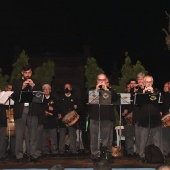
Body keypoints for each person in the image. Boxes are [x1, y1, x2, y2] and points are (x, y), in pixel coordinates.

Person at [11, 65, 43, 163]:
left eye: (29, 72)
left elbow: (40, 96)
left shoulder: (36, 82)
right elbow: (14, 96)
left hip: (32, 110)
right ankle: (19, 156)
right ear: (22, 73)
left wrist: (33, 86)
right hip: (20, 111)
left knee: (33, 134)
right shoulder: (17, 82)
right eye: (25, 73)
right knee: (20, 135)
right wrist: (22, 87)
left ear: (31, 72)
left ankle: (33, 155)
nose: (27, 75)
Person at [87, 73, 118, 162]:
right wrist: (96, 91)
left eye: (103, 80)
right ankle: (94, 154)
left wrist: (106, 90)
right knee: (94, 137)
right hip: (94, 117)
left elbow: (115, 98)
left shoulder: (111, 90)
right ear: (97, 81)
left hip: (106, 117)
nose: (101, 82)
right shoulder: (92, 90)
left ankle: (106, 154)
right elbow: (87, 100)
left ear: (106, 81)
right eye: (100, 80)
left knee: (106, 138)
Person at [138, 75, 162, 162]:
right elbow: (138, 103)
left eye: (150, 82)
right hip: (144, 119)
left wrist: (153, 93)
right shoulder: (140, 92)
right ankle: (142, 156)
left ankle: (158, 156)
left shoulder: (156, 91)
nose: (148, 83)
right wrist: (144, 93)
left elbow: (160, 101)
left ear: (152, 82)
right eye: (147, 82)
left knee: (157, 140)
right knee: (143, 140)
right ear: (144, 83)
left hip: (155, 119)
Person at [58, 83, 79, 156]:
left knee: (72, 135)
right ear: (64, 89)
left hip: (72, 120)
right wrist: (58, 113)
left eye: (68, 87)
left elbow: (79, 109)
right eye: (65, 87)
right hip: (62, 120)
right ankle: (61, 150)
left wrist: (77, 108)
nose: (67, 89)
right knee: (62, 135)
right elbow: (58, 107)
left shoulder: (75, 97)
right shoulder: (60, 98)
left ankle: (73, 150)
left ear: (71, 89)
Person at [121, 78, 137, 157]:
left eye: (134, 83)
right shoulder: (125, 95)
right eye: (131, 83)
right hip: (128, 119)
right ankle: (129, 152)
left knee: (139, 136)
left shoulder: (138, 94)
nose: (133, 85)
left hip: (137, 118)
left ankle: (138, 152)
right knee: (129, 135)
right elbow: (121, 106)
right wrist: (123, 112)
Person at [42, 84, 59, 157]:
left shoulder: (54, 99)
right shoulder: (40, 99)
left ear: (50, 90)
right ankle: (45, 151)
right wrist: (44, 111)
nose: (46, 90)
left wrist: (53, 109)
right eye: (44, 89)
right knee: (43, 137)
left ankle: (54, 151)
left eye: (48, 89)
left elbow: (58, 109)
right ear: (42, 91)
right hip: (43, 121)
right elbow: (38, 109)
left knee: (53, 137)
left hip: (52, 121)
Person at [160, 81, 170, 157]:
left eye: (166, 86)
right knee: (165, 136)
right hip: (165, 119)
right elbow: (161, 107)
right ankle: (165, 152)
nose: (165, 88)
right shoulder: (162, 96)